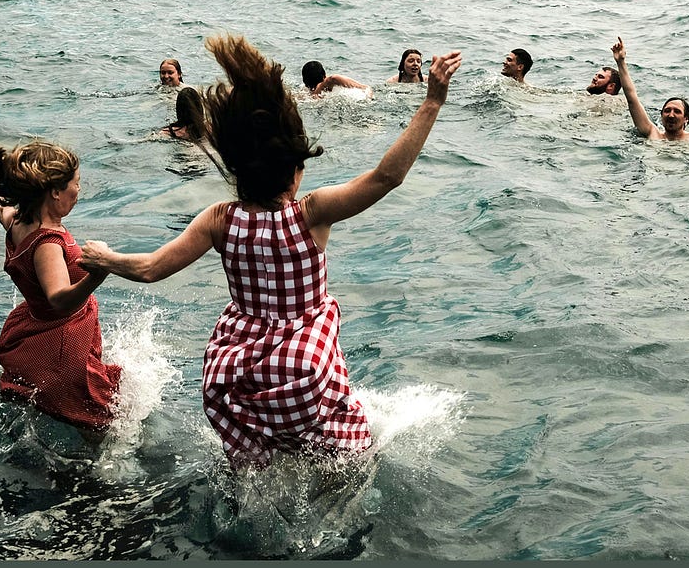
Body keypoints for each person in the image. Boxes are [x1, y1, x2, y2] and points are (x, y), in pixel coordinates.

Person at [80, 35, 463, 469]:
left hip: (237, 369)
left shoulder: (218, 219)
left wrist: (104, 258)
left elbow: (151, 268)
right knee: (350, 461)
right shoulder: (310, 214)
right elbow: (386, 177)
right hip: (305, 367)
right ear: (294, 172)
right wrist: (432, 101)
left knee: (257, 464)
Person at [0, 140, 120, 441]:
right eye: (75, 184)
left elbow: (6, 215)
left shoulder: (17, 222)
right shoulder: (48, 244)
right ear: (54, 191)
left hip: (36, 327)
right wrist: (98, 273)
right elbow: (58, 298)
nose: (78, 191)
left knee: (56, 401)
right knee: (97, 419)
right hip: (61, 336)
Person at [611, 37, 689, 145]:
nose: (671, 115)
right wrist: (621, 62)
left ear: (686, 119)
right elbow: (632, 99)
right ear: (661, 115)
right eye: (667, 111)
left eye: (677, 111)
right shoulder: (652, 133)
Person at [301, 60, 371, 98]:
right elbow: (366, 88)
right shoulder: (327, 82)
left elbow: (366, 88)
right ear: (324, 74)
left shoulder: (305, 93)